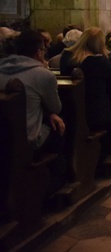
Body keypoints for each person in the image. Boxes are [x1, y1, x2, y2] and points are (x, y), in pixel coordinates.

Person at [0, 29, 66, 193]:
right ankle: (55, 181)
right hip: (26, 139)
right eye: (43, 50)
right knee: (60, 126)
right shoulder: (42, 75)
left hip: (4, 135)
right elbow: (56, 107)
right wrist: (51, 113)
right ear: (38, 52)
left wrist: (48, 113)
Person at [60, 27, 111, 134]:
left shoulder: (68, 56)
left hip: (68, 108)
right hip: (94, 113)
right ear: (100, 43)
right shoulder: (98, 61)